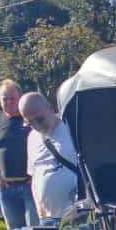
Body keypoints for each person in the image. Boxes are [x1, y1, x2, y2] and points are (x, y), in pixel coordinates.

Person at [0, 79, 38, 229]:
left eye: (12, 98)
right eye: (4, 99)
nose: (8, 102)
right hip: (5, 187)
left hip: (30, 186)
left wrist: (36, 175)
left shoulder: (31, 119)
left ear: (20, 97)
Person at [19, 92, 79, 222]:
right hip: (48, 218)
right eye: (30, 123)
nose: (36, 125)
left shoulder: (73, 129)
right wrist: (39, 210)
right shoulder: (32, 137)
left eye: (39, 119)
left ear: (50, 108)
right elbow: (34, 176)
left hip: (78, 215)